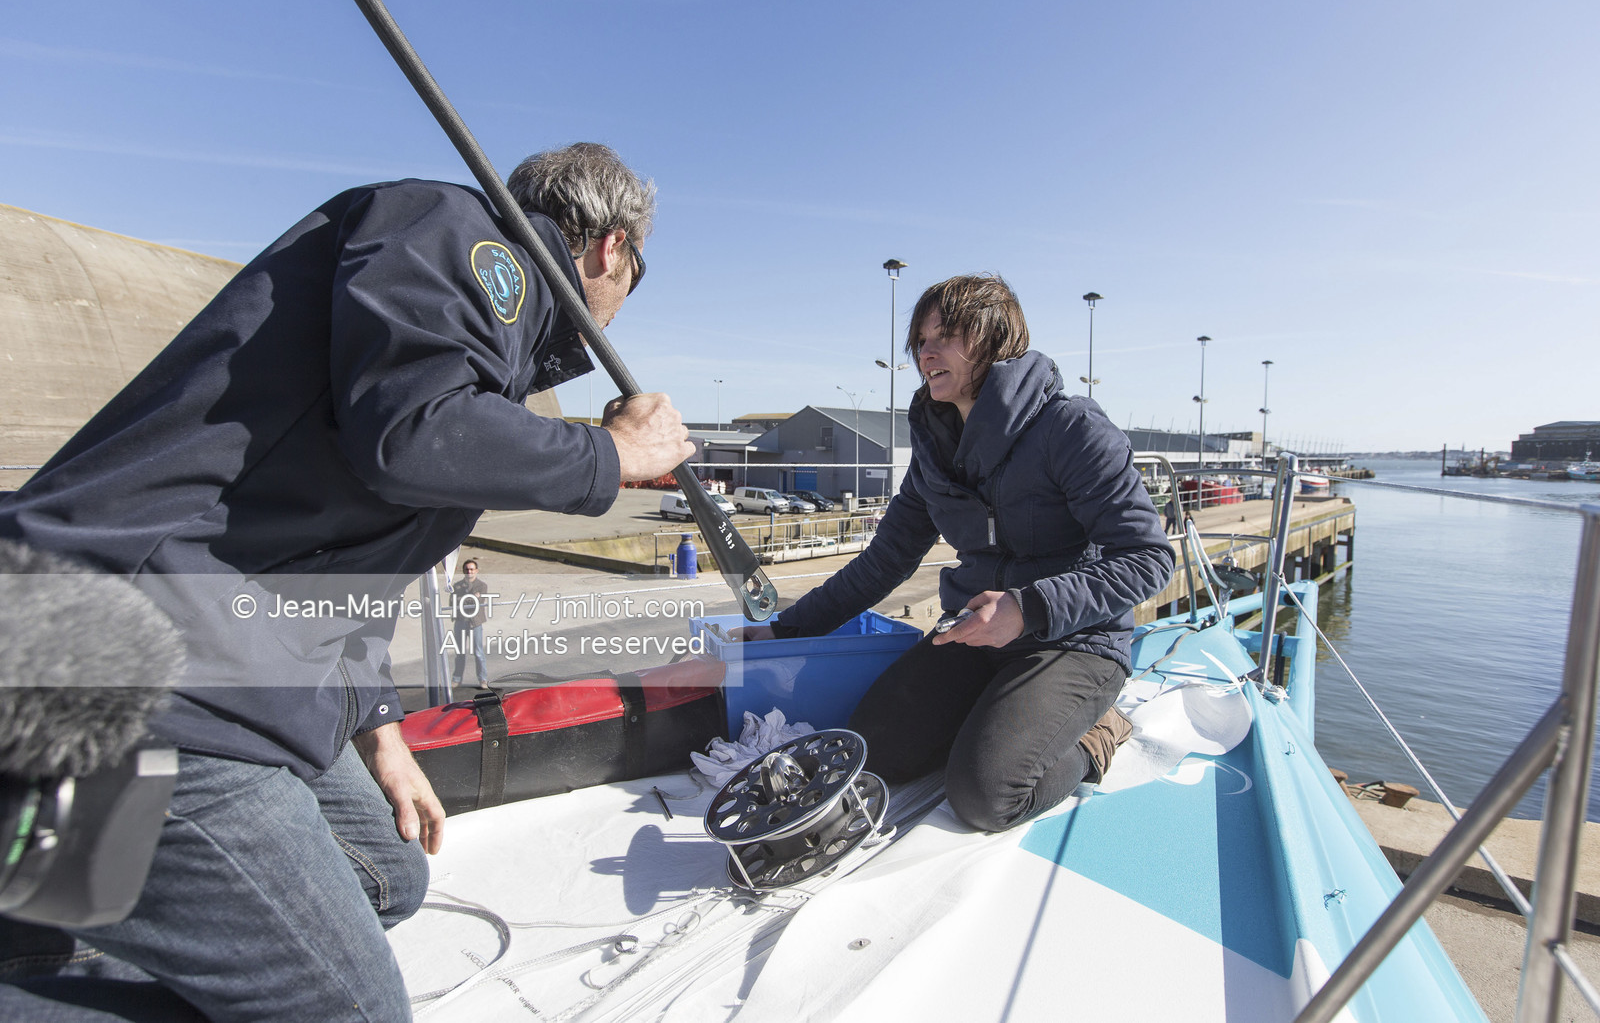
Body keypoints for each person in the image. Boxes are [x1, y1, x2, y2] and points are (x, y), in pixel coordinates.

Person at [0, 142, 693, 1021]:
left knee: (388, 875)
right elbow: (414, 434)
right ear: (611, 247)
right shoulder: (465, 236)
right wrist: (609, 454)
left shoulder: (485, 335)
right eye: (639, 274)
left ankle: (58, 923)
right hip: (144, 667)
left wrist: (380, 728)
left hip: (224, 659)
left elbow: (348, 564)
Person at [737, 274, 1175, 832]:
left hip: (1072, 640)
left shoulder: (1071, 429)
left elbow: (1147, 557)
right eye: (921, 341)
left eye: (945, 336)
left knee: (986, 795)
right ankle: (995, 716)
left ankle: (1096, 735)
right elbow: (885, 560)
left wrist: (1027, 608)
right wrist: (785, 629)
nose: (926, 353)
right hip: (973, 632)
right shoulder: (935, 451)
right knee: (872, 753)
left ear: (995, 339)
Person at [451, 558, 491, 689]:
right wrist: (472, 597)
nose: (469, 572)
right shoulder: (457, 586)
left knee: (478, 653)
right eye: (467, 569)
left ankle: (483, 679)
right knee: (460, 653)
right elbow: (453, 602)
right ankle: (456, 679)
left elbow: (478, 603)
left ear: (476, 571)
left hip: (475, 623)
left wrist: (464, 599)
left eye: (472, 569)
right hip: (460, 622)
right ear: (463, 571)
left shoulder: (482, 586)